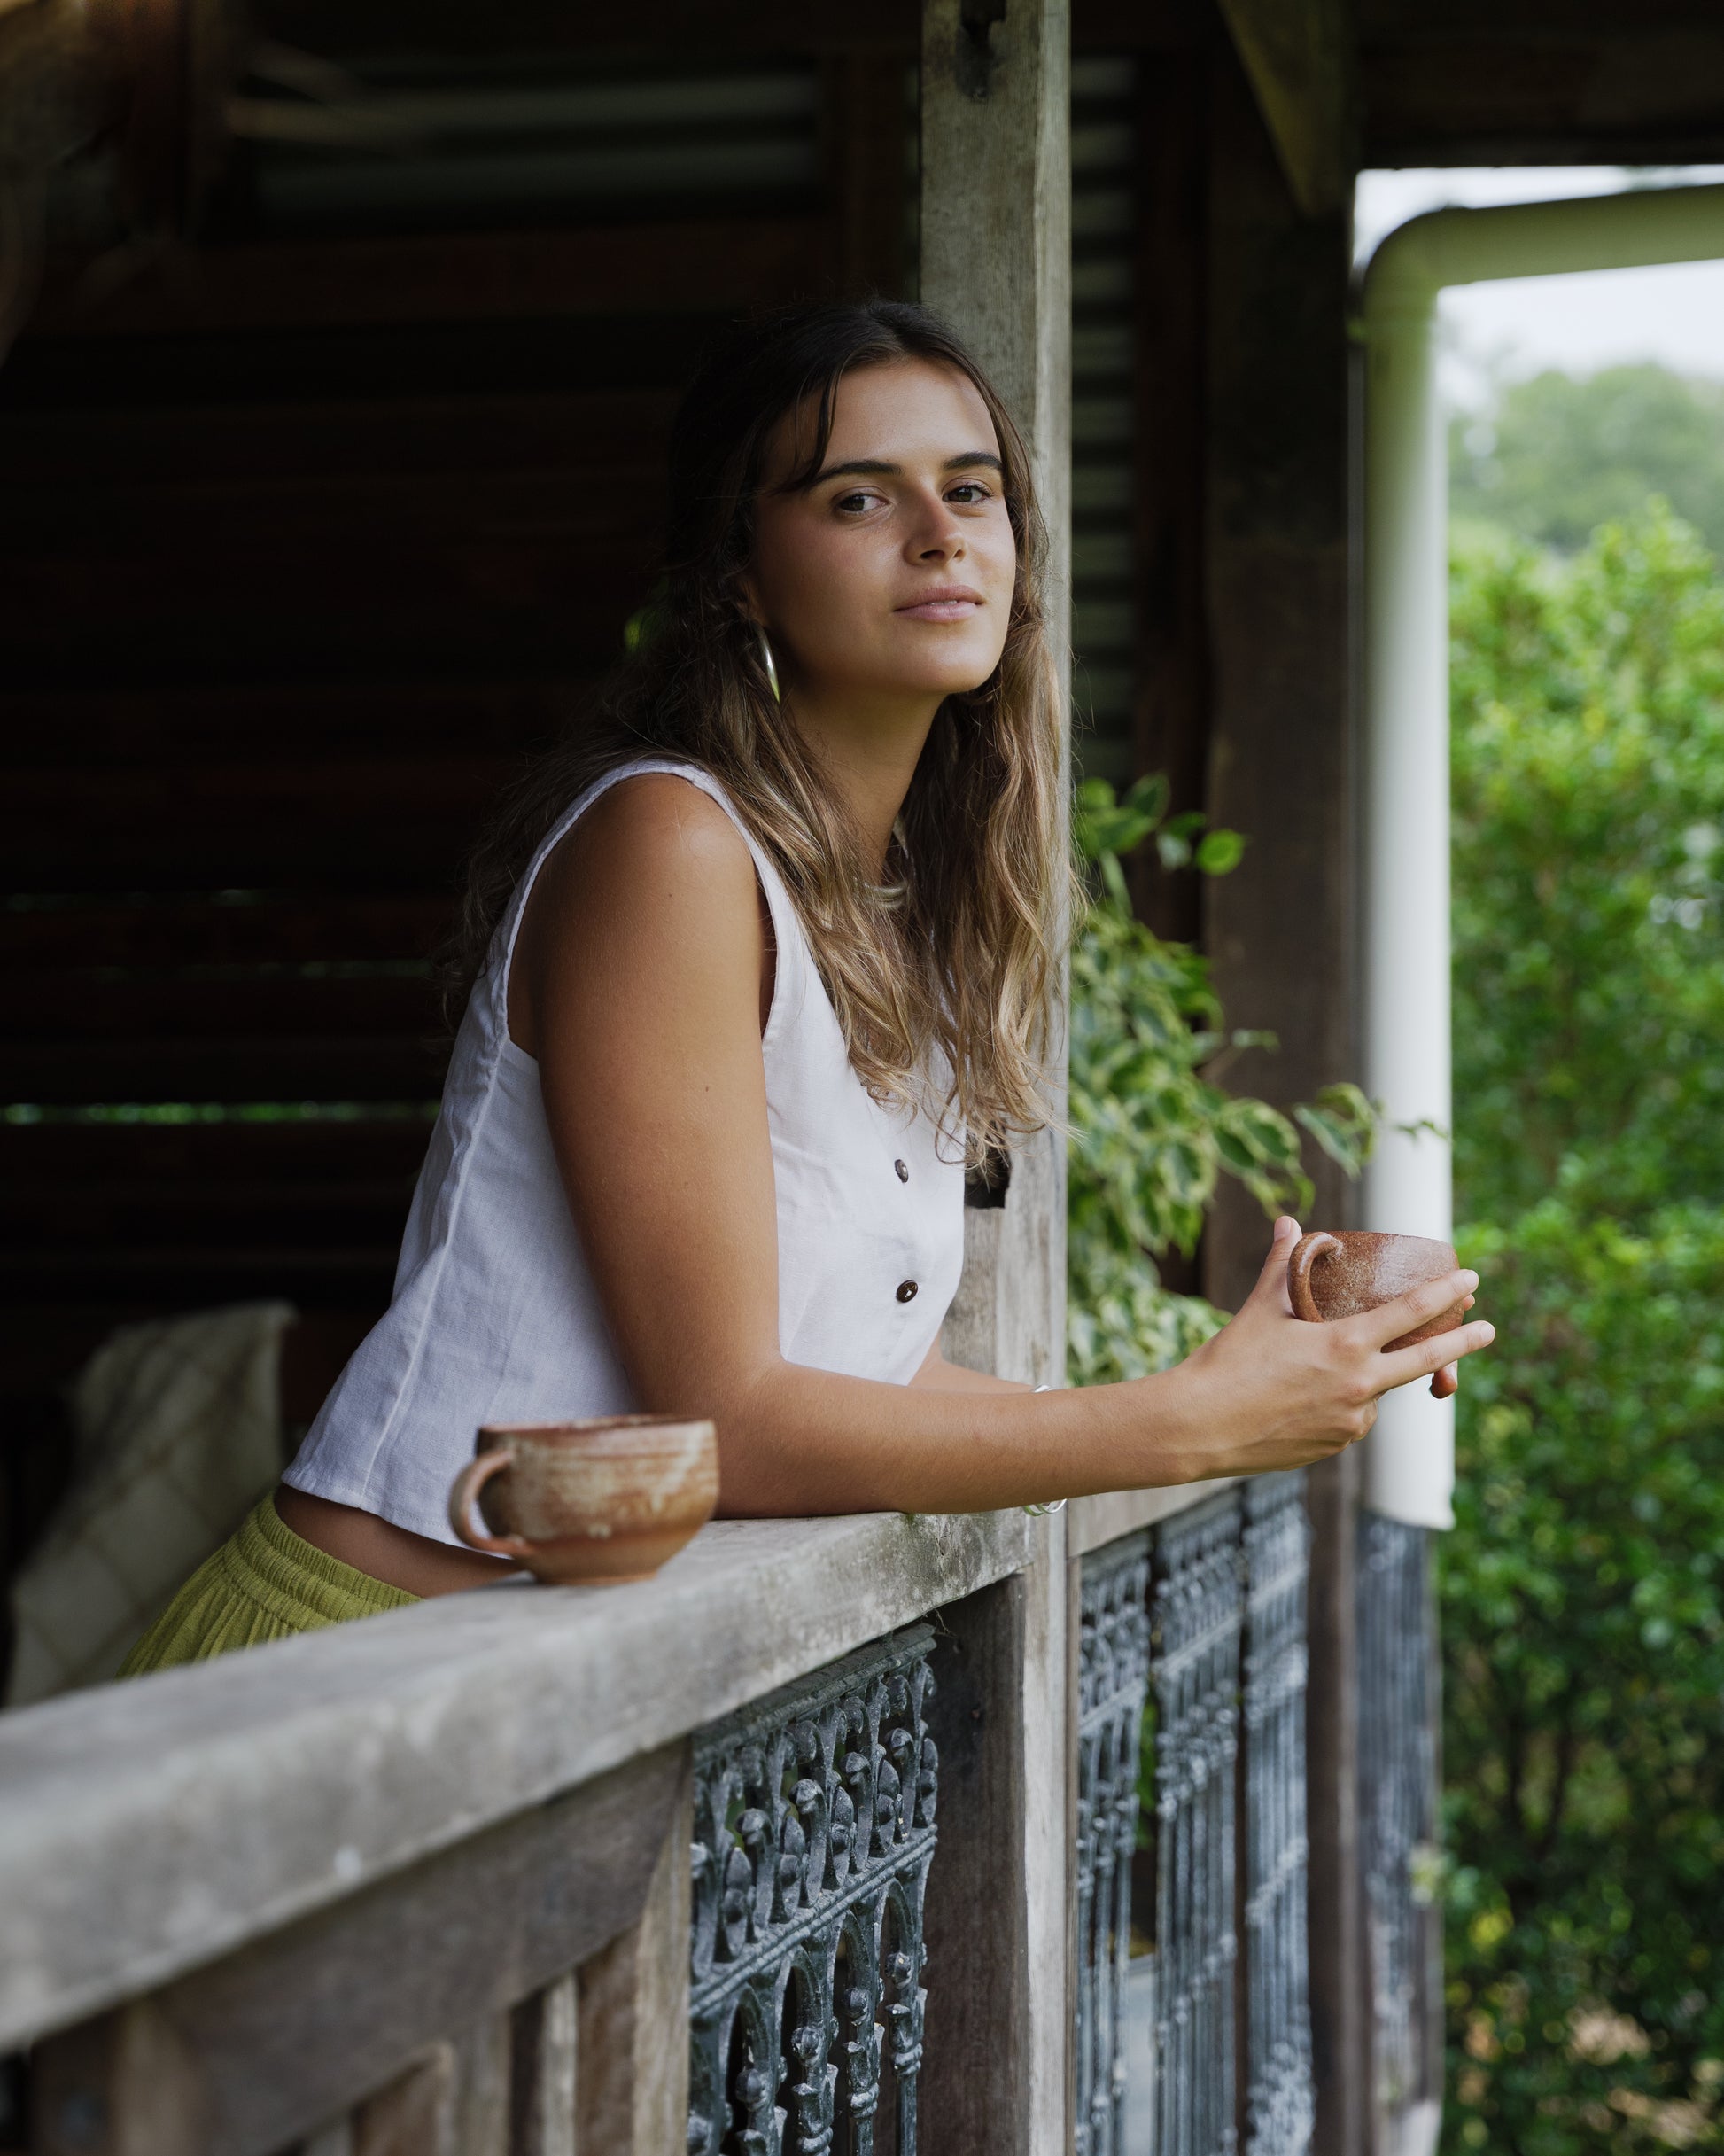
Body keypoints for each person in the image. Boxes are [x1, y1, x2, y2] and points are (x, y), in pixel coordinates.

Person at [123, 300, 1490, 1672]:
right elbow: (729, 1415)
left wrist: (1254, 1372)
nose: (940, 530)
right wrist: (1181, 1423)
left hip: (555, 1701)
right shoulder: (667, 845)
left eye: (972, 489)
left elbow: (851, 1372)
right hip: (352, 1668)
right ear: (738, 574)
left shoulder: (902, 909)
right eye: (857, 495)